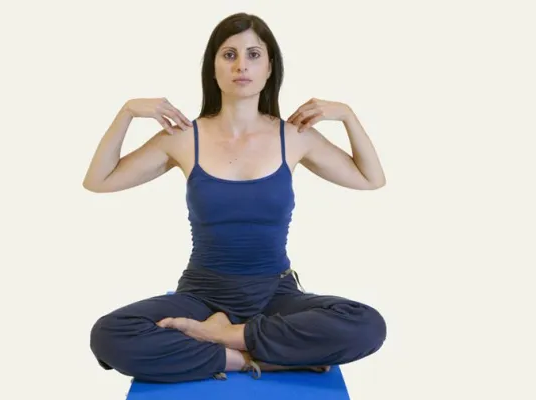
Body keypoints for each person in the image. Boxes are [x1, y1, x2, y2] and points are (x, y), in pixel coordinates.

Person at [83, 12, 387, 384]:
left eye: (253, 55)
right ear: (213, 68)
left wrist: (348, 115)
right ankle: (249, 358)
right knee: (109, 334)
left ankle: (226, 337)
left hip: (275, 293)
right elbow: (99, 180)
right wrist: (127, 112)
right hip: (202, 294)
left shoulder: (294, 136)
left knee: (367, 325)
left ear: (270, 67)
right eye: (229, 55)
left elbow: (370, 178)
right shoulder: (184, 137)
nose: (241, 65)